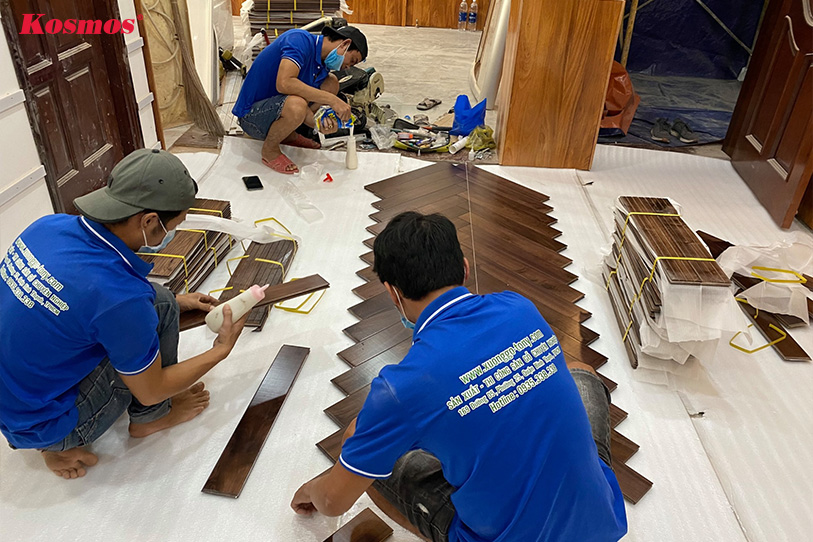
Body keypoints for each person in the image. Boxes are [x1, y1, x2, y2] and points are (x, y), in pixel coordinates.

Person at [291, 212, 627, 542]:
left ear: (392, 292)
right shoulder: (519, 307)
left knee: (366, 452)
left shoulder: (400, 388)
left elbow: (334, 503)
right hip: (600, 521)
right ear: (464, 268)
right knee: (581, 372)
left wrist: (311, 490)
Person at [0, 149, 247, 479]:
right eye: (176, 224)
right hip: (46, 423)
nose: (176, 231)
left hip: (12, 404)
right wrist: (220, 350)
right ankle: (148, 419)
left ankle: (46, 439)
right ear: (148, 221)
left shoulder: (50, 226)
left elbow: (79, 300)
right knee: (153, 312)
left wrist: (174, 301)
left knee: (160, 301)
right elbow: (151, 388)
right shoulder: (120, 298)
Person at [232, 25, 368, 174]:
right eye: (352, 60)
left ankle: (288, 134)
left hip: (275, 109)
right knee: (297, 104)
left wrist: (320, 124)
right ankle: (269, 150)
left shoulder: (322, 66)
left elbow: (308, 105)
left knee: (331, 83)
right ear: (344, 44)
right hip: (251, 117)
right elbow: (284, 83)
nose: (348, 67)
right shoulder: (298, 40)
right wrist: (332, 100)